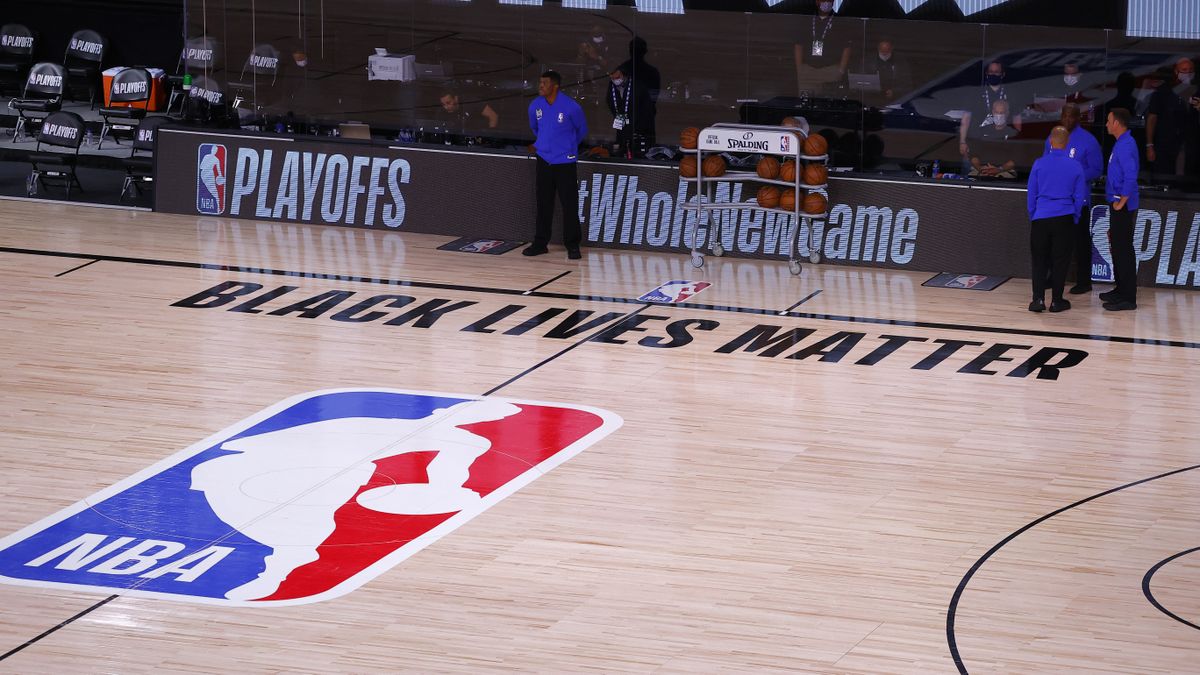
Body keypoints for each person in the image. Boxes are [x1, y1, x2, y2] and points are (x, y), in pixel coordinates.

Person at [525, 70, 588, 260]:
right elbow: (535, 128)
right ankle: (540, 243)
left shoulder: (571, 107)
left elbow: (582, 130)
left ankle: (573, 245)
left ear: (555, 85)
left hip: (565, 162)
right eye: (540, 82)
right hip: (544, 160)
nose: (540, 86)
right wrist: (545, 145)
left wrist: (567, 147)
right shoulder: (535, 105)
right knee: (543, 203)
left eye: (544, 83)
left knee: (569, 204)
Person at [1026, 126, 1088, 313]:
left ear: (1050, 142)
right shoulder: (1075, 166)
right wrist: (1075, 216)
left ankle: (1037, 300)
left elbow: (1032, 194)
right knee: (1060, 261)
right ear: (1067, 143)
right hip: (1064, 217)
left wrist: (1034, 215)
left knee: (1039, 260)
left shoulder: (1039, 164)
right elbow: (1079, 197)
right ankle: (1056, 301)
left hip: (1041, 217)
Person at [1042, 103, 1103, 293]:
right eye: (1065, 116)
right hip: (1055, 201)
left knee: (1080, 242)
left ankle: (1084, 282)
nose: (1068, 119)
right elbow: (1045, 164)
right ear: (1061, 116)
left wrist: (1074, 176)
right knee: (1055, 241)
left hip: (1078, 201)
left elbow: (1097, 169)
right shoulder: (1053, 138)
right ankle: (1053, 277)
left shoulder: (1088, 140)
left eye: (1072, 116)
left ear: (1078, 118)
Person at [1102, 108, 1140, 311]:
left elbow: (1131, 176)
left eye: (1108, 121)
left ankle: (1128, 297)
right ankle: (1120, 289)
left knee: (1123, 250)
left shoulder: (1125, 145)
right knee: (1116, 247)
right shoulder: (1121, 143)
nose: (1106, 124)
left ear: (1117, 123)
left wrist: (1122, 201)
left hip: (1122, 205)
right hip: (1117, 203)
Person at [1146, 57, 1198, 177]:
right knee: (1164, 177)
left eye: (1190, 70)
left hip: (1191, 146)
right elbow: (1152, 118)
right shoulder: (1163, 92)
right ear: (1176, 72)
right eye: (1184, 70)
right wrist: (1149, 145)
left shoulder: (1197, 91)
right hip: (1166, 145)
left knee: (1188, 180)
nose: (1188, 74)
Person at [960, 60, 1022, 161]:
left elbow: (1017, 119)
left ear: (1002, 74)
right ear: (986, 74)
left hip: (1003, 145)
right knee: (973, 172)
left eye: (996, 72)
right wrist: (962, 142)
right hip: (976, 142)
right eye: (991, 72)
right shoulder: (975, 92)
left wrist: (1017, 141)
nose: (993, 74)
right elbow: (966, 119)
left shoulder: (1012, 93)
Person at [794, 0, 851, 94]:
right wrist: (800, 69)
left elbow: (847, 47)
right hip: (808, 71)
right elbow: (798, 45)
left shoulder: (840, 20)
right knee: (806, 103)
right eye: (823, 0)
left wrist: (841, 70)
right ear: (817, 2)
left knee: (828, 104)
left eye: (829, 0)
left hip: (830, 70)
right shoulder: (806, 19)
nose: (826, 2)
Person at [606, 66, 655, 158]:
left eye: (617, 77)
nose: (615, 80)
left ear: (624, 75)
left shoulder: (638, 86)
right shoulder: (611, 86)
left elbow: (646, 109)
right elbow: (609, 102)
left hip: (637, 126)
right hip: (620, 125)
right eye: (612, 78)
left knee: (635, 150)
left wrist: (637, 124)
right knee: (620, 149)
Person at [968, 99, 1018, 178]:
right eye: (996, 112)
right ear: (992, 112)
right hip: (981, 170)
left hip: (1004, 171)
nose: (999, 115)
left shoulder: (1014, 134)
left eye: (1001, 113)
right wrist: (980, 168)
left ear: (1007, 113)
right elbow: (973, 155)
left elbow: (1015, 160)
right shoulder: (982, 131)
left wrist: (999, 169)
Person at [871, 38, 911, 103]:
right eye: (882, 50)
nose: (884, 53)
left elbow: (908, 84)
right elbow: (861, 82)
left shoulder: (901, 62)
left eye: (887, 50)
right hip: (872, 99)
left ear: (892, 48)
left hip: (895, 100)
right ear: (878, 48)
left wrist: (895, 92)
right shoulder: (868, 62)